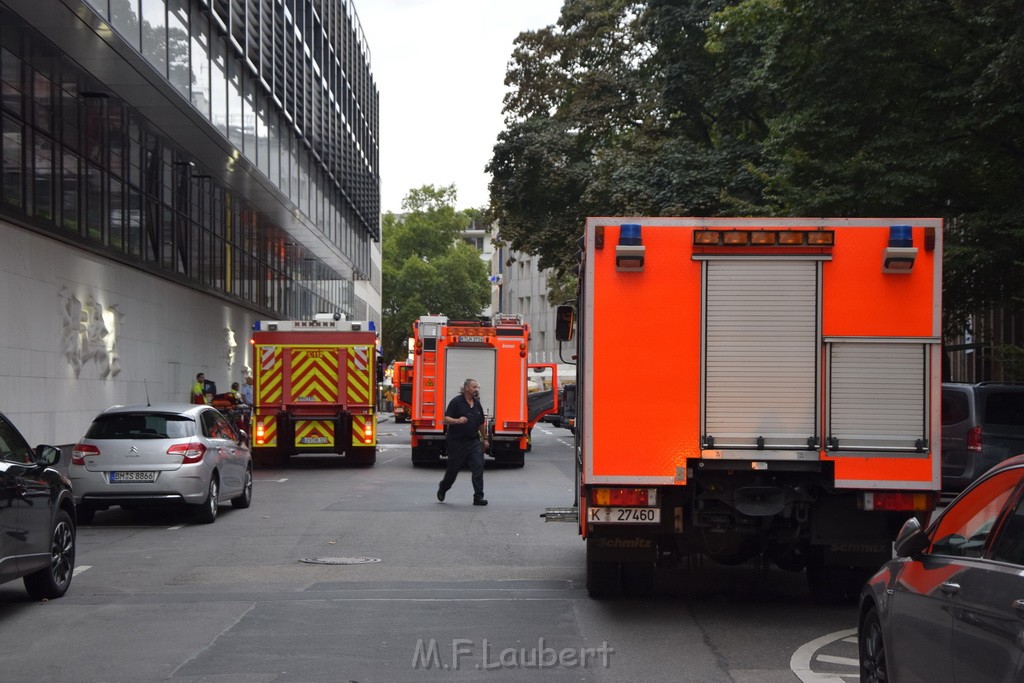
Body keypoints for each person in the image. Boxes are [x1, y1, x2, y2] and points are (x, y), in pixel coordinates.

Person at [436, 378, 489, 506]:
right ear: (466, 388)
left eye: (477, 387)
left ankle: (478, 497)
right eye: (474, 387)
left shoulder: (477, 404)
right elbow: (445, 419)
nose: (477, 390)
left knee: (478, 467)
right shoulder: (456, 402)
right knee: (453, 470)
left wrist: (485, 439)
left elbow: (481, 423)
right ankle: (443, 487)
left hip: (474, 441)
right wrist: (457, 421)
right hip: (457, 442)